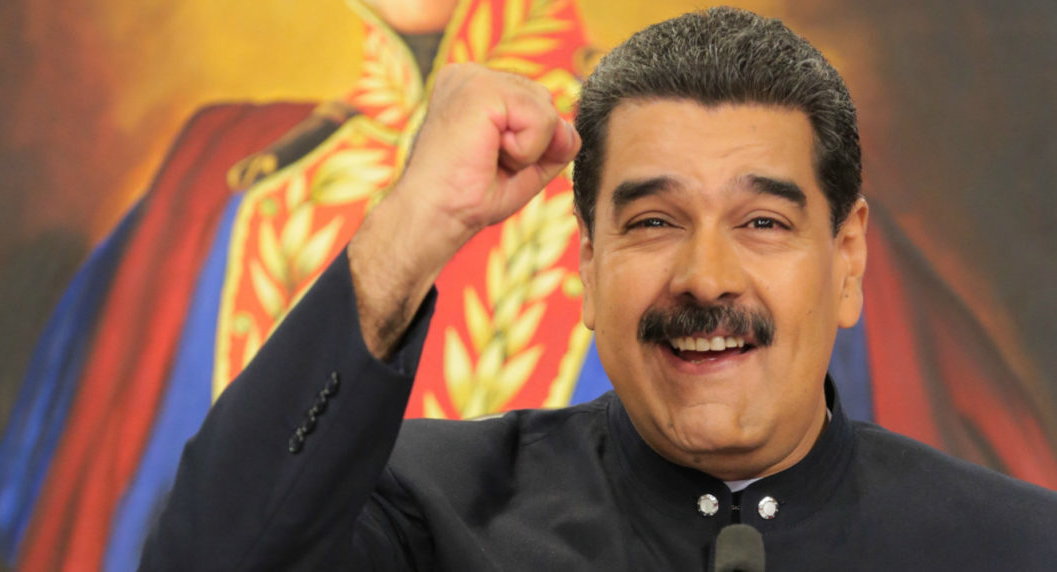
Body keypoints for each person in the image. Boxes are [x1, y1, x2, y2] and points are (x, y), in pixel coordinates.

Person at [138, 6, 1054, 570]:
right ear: (585, 263)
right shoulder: (428, 510)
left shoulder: (1018, 547)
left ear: (847, 258)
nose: (705, 277)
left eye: (763, 223)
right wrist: (415, 222)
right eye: (652, 222)